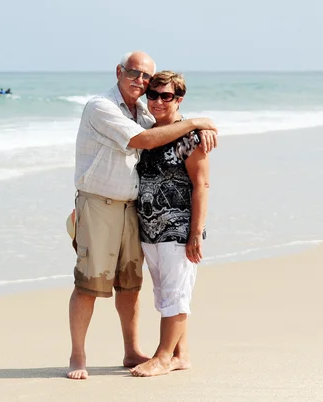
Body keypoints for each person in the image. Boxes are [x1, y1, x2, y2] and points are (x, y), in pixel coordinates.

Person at [67, 51, 218, 380]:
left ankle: (151, 353)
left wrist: (197, 128)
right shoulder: (103, 107)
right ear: (119, 71)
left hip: (150, 218)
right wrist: (196, 122)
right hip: (103, 207)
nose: (144, 85)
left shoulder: (151, 116)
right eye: (136, 75)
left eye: (149, 80)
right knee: (90, 284)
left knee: (136, 286)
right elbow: (142, 140)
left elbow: (198, 175)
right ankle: (78, 356)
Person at [130, 71, 209, 377]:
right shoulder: (149, 133)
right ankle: (181, 354)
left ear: (179, 99)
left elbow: (202, 185)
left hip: (177, 230)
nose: (158, 101)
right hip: (150, 230)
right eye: (153, 95)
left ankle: (163, 357)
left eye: (166, 96)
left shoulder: (189, 137)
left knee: (175, 294)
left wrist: (196, 234)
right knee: (166, 293)